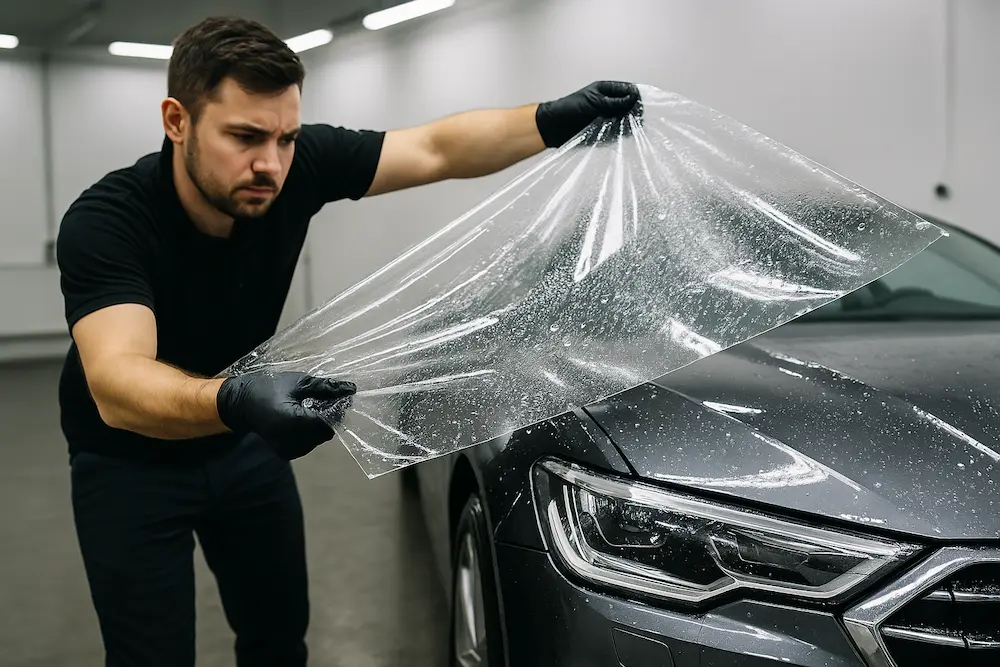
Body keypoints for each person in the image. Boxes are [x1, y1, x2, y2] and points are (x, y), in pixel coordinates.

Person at [55, 14, 640, 667]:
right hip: (128, 464)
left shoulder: (293, 166)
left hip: (241, 448)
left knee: (278, 640)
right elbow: (116, 381)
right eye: (245, 137)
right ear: (176, 120)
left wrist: (550, 121)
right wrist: (239, 399)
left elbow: (436, 148)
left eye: (286, 138)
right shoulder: (110, 222)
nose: (270, 164)